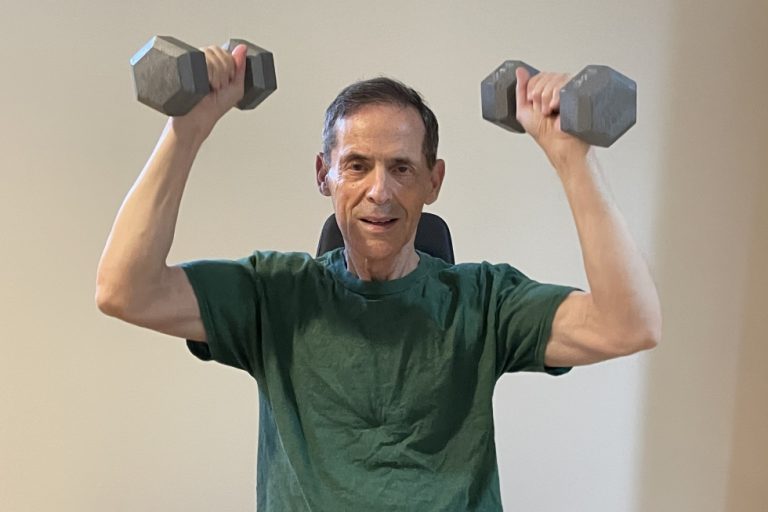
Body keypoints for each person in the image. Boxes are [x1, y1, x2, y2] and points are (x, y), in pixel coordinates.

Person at [96, 44, 661, 511]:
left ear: (432, 182)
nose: (380, 192)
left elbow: (628, 324)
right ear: (325, 175)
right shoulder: (275, 295)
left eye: (402, 168)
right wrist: (187, 129)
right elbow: (125, 290)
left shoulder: (483, 302)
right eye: (357, 165)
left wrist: (570, 157)